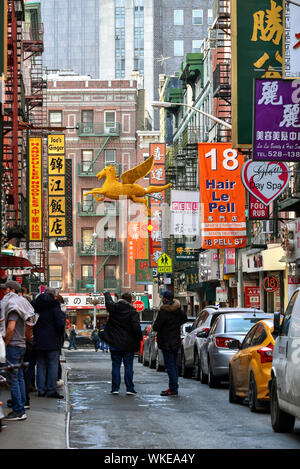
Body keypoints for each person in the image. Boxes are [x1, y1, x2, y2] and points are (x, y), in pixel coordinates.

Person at [1, 280, 35, 421]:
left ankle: (18, 411)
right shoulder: (22, 304)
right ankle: (21, 406)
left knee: (13, 379)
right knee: (19, 377)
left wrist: (5, 343)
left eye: (5, 289)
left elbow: (11, 328)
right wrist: (27, 338)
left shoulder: (13, 306)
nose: (4, 292)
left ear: (10, 290)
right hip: (21, 345)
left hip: (13, 346)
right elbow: (29, 325)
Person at [103, 291, 142, 395]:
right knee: (128, 366)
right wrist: (139, 339)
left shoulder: (114, 308)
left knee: (116, 366)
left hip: (115, 343)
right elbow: (136, 327)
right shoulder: (132, 311)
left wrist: (107, 294)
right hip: (129, 344)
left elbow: (108, 303)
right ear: (130, 301)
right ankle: (129, 388)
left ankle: (115, 388)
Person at [32, 288, 66, 399]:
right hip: (52, 339)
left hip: (38, 339)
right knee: (52, 365)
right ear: (54, 296)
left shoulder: (36, 305)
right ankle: (51, 390)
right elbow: (60, 323)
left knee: (40, 365)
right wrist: (59, 335)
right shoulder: (55, 306)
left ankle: (41, 390)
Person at [153, 290, 187, 396]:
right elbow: (184, 319)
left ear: (164, 299)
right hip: (175, 341)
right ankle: (173, 387)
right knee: (174, 365)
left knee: (170, 366)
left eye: (162, 297)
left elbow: (156, 326)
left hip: (166, 342)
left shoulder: (163, 311)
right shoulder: (178, 311)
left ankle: (173, 389)